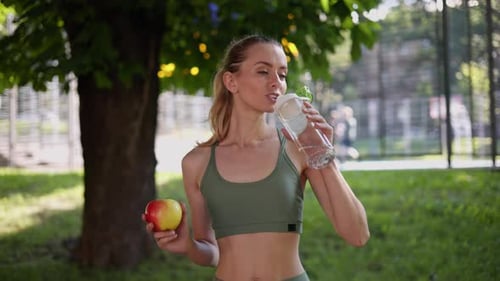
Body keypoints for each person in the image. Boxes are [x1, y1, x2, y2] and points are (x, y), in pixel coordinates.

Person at [143, 34, 369, 281]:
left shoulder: (298, 148)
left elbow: (357, 235)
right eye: (263, 72)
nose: (277, 83)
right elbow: (212, 253)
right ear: (231, 81)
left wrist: (323, 155)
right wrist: (188, 245)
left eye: (282, 75)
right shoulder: (196, 163)